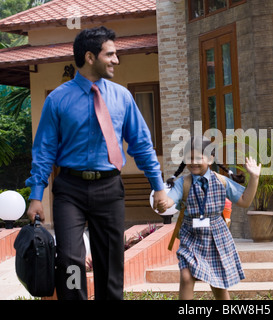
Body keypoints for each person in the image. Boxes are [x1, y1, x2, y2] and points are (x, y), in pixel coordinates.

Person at [25, 26, 167, 299]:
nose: (116, 60)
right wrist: (35, 196)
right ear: (90, 57)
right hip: (70, 190)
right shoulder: (57, 100)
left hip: (109, 188)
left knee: (111, 263)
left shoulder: (122, 97)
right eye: (110, 54)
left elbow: (142, 144)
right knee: (70, 260)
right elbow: (43, 151)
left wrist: (158, 186)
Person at [162, 136, 260, 300]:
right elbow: (169, 200)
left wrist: (255, 178)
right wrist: (161, 203)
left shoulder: (221, 181)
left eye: (198, 158)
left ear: (211, 158)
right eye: (189, 158)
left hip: (217, 237)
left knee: (218, 284)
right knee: (186, 277)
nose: (193, 162)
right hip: (190, 236)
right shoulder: (183, 183)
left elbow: (244, 201)